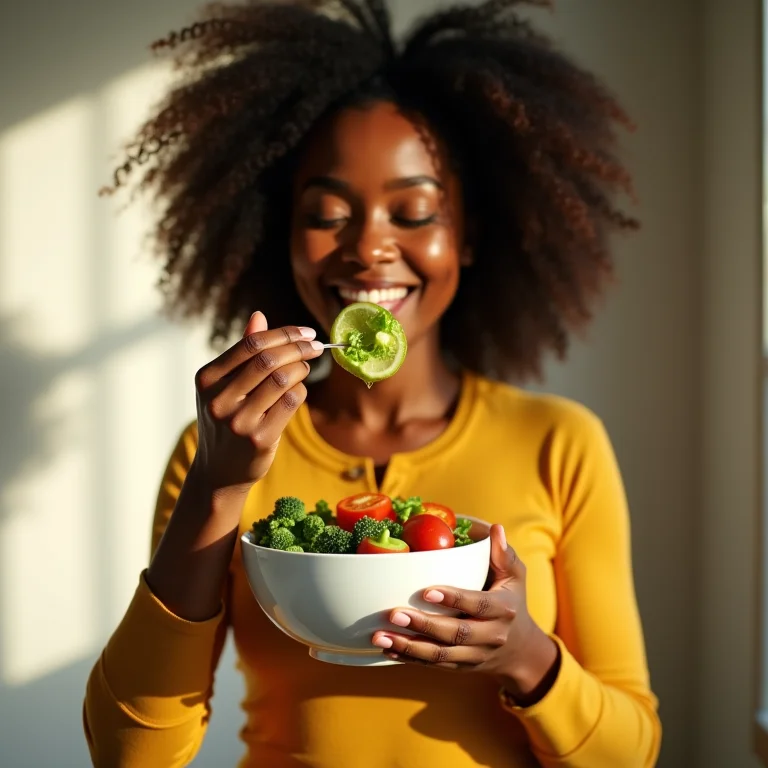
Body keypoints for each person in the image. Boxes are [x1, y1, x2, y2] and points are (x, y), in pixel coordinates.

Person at [82, 1, 661, 766]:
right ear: (280, 236)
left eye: (414, 211)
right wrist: (218, 486)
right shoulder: (214, 448)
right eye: (327, 214)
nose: (368, 248)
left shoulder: (559, 443)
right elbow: (129, 754)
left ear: (470, 234)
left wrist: (524, 657)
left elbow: (632, 754)